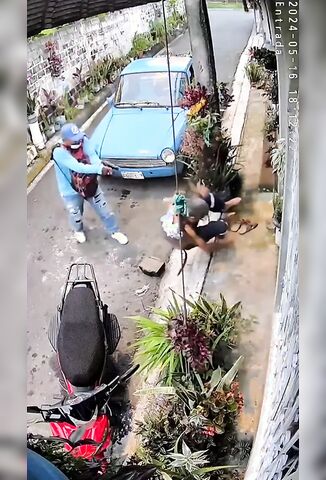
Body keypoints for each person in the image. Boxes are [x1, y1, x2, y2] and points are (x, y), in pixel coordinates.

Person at [52, 123, 128, 245]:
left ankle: (114, 231)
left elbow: (93, 156)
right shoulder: (59, 152)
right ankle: (78, 230)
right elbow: (77, 167)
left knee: (105, 211)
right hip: (70, 191)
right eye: (74, 139)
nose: (79, 141)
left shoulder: (83, 140)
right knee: (75, 215)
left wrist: (102, 166)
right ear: (65, 140)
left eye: (79, 138)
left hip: (89, 184)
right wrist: (99, 170)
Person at [161, 184, 242, 254]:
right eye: (201, 217)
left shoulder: (177, 205)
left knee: (207, 199)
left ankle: (225, 206)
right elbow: (206, 248)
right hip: (188, 240)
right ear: (191, 218)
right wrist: (227, 245)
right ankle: (222, 232)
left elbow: (179, 196)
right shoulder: (187, 231)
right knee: (221, 226)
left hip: (186, 223)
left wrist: (201, 193)